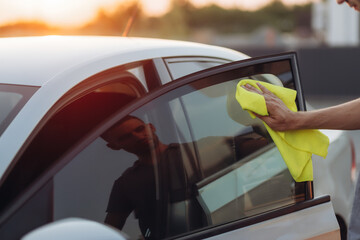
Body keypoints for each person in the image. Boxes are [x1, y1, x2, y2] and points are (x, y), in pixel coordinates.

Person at [101, 116, 196, 239]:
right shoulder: (126, 184)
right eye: (126, 137)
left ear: (151, 127)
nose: (138, 137)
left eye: (140, 129)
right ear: (114, 146)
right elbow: (108, 231)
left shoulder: (195, 151)